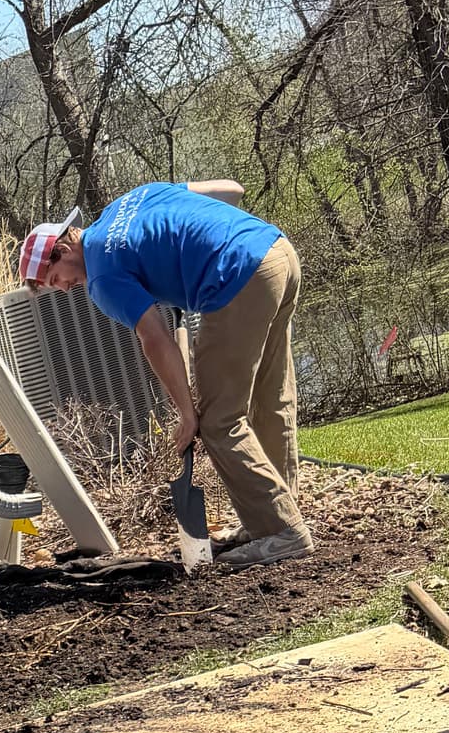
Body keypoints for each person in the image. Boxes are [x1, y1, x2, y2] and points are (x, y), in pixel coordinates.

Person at [19, 183, 310, 569]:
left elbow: (155, 339)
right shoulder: (129, 200)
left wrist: (189, 415)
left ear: (64, 249)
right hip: (275, 253)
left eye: (54, 278)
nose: (63, 288)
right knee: (270, 400)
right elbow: (230, 190)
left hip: (235, 279)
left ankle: (282, 531)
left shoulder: (102, 277)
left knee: (220, 421)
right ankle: (277, 517)